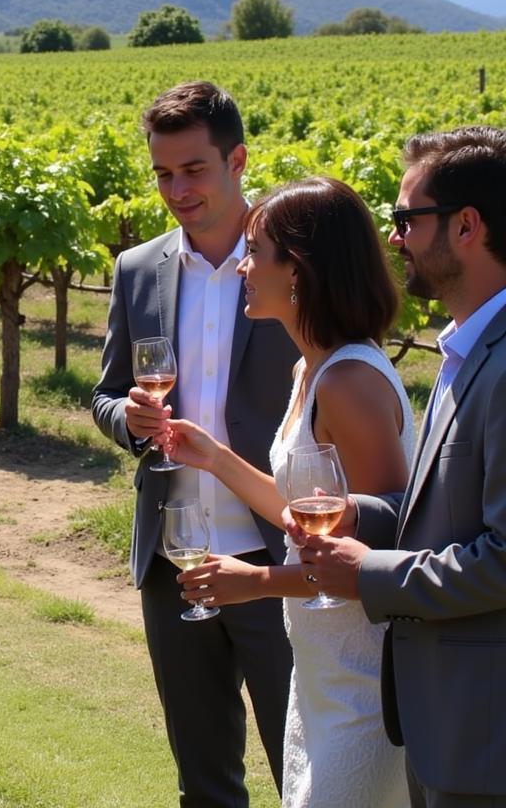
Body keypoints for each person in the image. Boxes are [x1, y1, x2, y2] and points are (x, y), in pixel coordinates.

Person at [164, 176, 412, 807]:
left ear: (297, 270)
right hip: (322, 669)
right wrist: (215, 458)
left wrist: (257, 583)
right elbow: (306, 520)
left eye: (256, 250)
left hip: (366, 681)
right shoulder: (311, 369)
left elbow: (388, 554)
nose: (243, 265)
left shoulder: (349, 383)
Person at [91, 80, 299, 807]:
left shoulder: (290, 263)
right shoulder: (137, 268)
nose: (176, 189)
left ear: (238, 160)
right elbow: (106, 392)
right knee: (204, 780)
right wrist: (129, 421)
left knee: (307, 775)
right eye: (162, 173)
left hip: (279, 557)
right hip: (175, 558)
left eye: (194, 169)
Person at [296, 127, 506, 808]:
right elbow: (450, 511)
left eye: (406, 219)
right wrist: (366, 515)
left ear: (467, 226)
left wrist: (368, 573)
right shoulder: (468, 351)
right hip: (447, 726)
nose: (393, 239)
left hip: (484, 739)